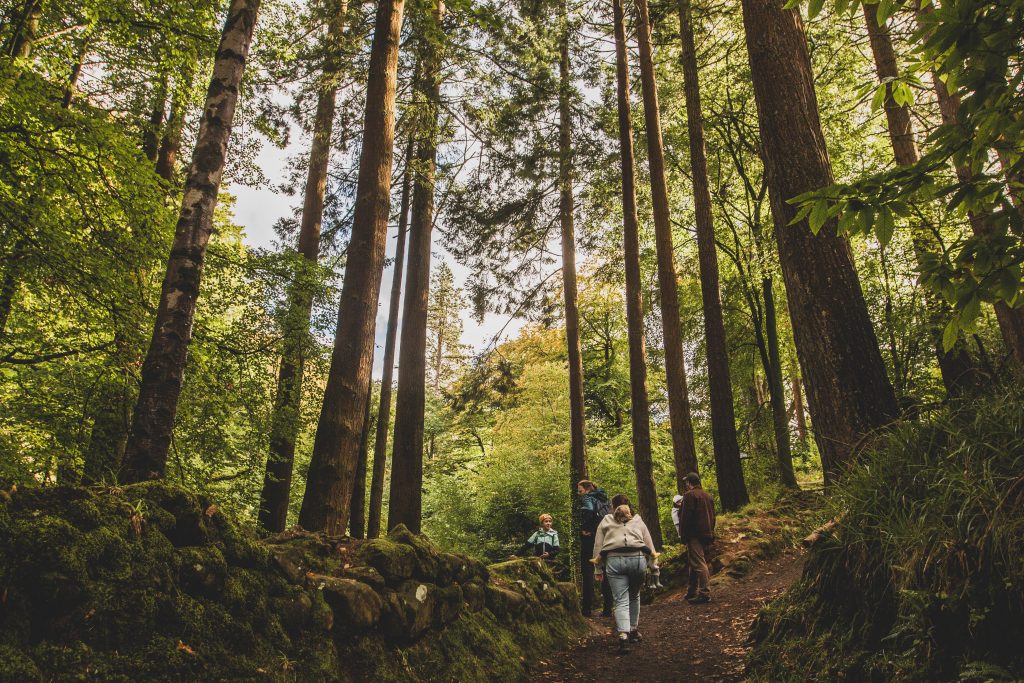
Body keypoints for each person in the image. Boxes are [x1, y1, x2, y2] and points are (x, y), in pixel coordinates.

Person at [593, 503, 657, 654]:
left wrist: (597, 569)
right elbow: (649, 545)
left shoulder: (605, 521)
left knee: (621, 600)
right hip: (637, 560)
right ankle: (633, 631)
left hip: (614, 561)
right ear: (629, 513)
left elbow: (597, 545)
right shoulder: (638, 521)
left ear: (613, 512)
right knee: (634, 596)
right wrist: (654, 567)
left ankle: (623, 636)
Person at [578, 480, 613, 617]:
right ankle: (607, 608)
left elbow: (589, 512)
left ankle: (587, 609)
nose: (579, 494)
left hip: (591, 538)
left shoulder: (588, 498)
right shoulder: (606, 499)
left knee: (587, 571)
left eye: (580, 491)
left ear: (587, 489)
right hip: (606, 538)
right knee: (606, 571)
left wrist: (585, 529)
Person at [679, 472, 716, 604]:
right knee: (694, 562)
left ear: (689, 483)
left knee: (699, 563)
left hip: (694, 534)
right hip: (706, 533)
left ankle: (704, 593)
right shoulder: (708, 496)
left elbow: (685, 517)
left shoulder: (689, 496)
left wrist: (683, 535)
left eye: (686, 482)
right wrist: (712, 532)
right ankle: (691, 591)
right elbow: (713, 515)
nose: (686, 485)